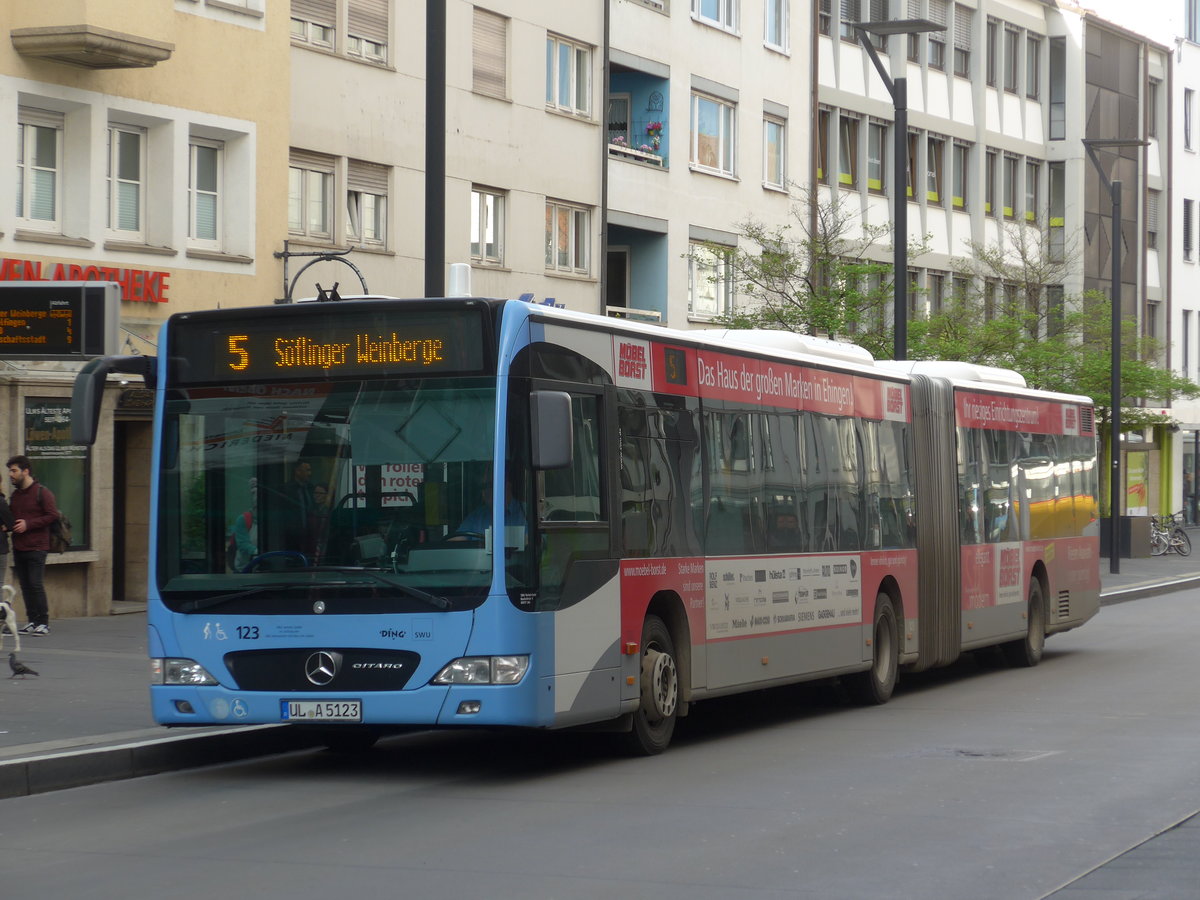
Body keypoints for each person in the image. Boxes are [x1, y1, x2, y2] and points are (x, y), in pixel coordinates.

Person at [6, 455, 59, 636]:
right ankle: (32, 620)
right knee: (26, 586)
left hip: (37, 546)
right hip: (19, 546)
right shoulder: (16, 495)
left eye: (14, 471)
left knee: (36, 584)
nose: (10, 475)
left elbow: (52, 515)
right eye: (10, 471)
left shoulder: (42, 492)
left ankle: (43, 622)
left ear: (25, 471)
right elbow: (11, 518)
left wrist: (28, 524)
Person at [454, 473, 526, 537]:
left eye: (490, 485)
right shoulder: (477, 516)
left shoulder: (527, 512)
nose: (486, 491)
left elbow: (532, 542)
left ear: (508, 485)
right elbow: (455, 543)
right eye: (483, 487)